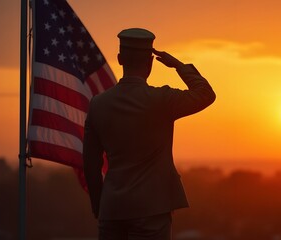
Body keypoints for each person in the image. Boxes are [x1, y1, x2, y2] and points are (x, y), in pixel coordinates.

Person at [83, 28, 216, 240]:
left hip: (111, 210)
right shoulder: (161, 100)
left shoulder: (97, 104)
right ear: (150, 62)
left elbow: (91, 163)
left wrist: (99, 206)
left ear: (119, 59)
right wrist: (179, 66)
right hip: (152, 210)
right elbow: (205, 94)